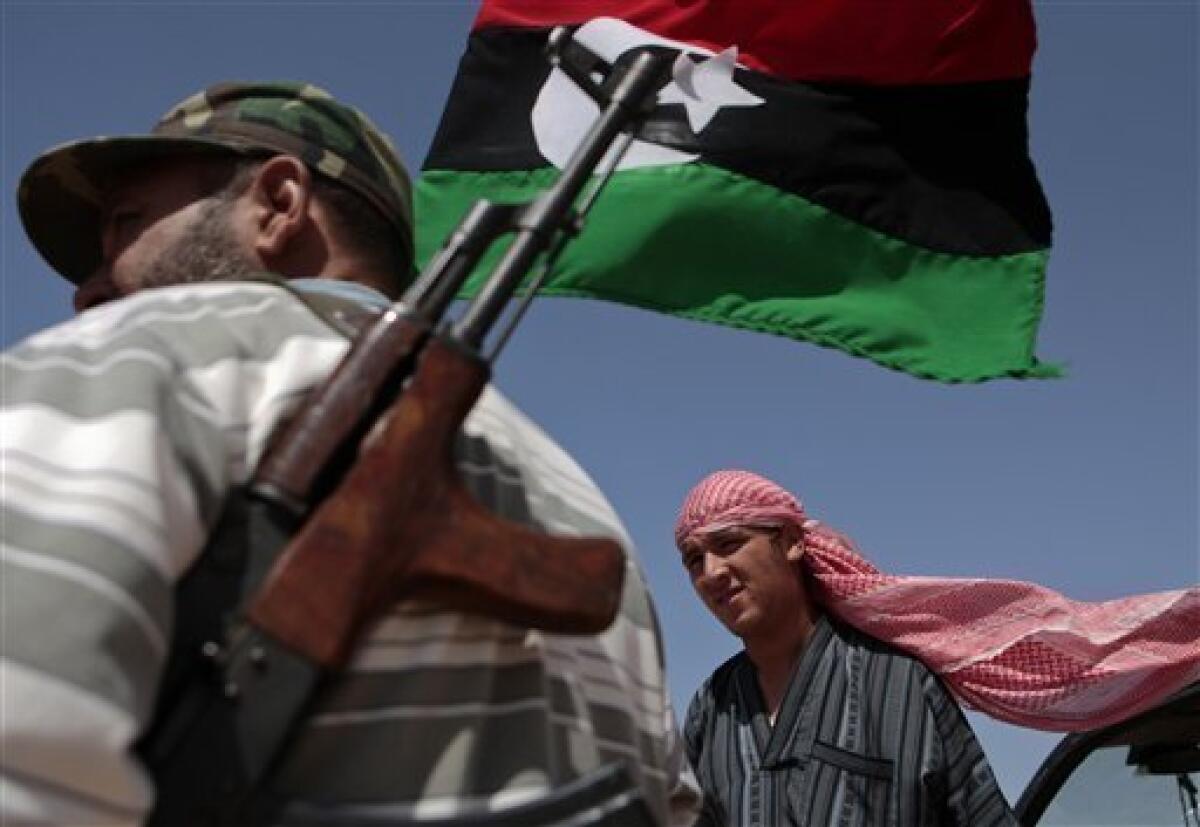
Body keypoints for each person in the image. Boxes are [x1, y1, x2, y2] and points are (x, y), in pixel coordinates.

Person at [1, 81, 699, 825]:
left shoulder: (143, 358)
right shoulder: (582, 500)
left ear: (277, 202)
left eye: (124, 224)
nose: (89, 289)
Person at [674, 468, 1200, 826]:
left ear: (789, 543)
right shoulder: (712, 707)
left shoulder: (893, 681)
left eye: (729, 544)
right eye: (694, 560)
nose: (711, 572)